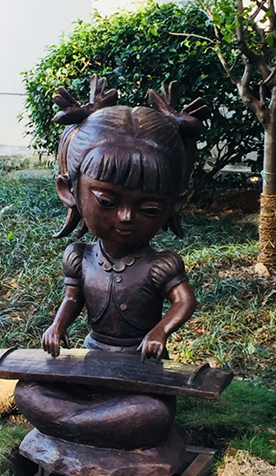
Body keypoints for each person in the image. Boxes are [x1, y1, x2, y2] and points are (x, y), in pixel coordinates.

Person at [14, 76, 209, 450]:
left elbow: (184, 301)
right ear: (69, 190)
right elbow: (72, 298)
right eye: (107, 202)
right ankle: (96, 427)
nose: (125, 217)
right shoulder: (81, 256)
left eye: (147, 208)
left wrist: (159, 332)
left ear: (173, 204)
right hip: (92, 358)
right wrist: (57, 325)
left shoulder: (161, 264)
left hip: (141, 367)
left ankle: (71, 427)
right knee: (29, 390)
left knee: (150, 414)